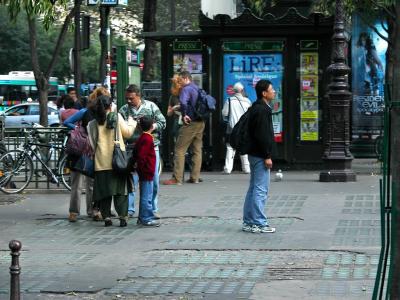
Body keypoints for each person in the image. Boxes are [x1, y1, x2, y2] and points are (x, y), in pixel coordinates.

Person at [88, 95, 136, 227]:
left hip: (101, 162)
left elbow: (92, 143)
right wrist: (132, 122)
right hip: (117, 162)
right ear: (110, 105)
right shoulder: (117, 117)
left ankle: (107, 217)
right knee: (120, 191)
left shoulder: (93, 123)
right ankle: (122, 217)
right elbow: (127, 133)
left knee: (104, 192)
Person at [119, 84, 166, 219]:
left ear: (138, 96)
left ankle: (152, 208)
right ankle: (129, 209)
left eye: (131, 98)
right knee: (131, 181)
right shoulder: (124, 110)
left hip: (151, 147)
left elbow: (163, 122)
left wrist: (152, 127)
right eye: (127, 98)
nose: (128, 101)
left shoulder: (151, 106)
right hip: (132, 148)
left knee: (153, 180)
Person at [64, 87, 110, 222]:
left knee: (77, 184)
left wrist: (77, 129)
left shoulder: (85, 112)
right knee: (91, 184)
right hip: (92, 151)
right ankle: (92, 211)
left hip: (79, 151)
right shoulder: (102, 115)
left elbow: (67, 122)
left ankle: (74, 212)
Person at [242, 79, 276, 234]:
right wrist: (267, 155)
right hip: (260, 155)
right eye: (271, 89)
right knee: (261, 189)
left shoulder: (256, 107)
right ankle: (259, 223)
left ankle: (249, 221)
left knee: (254, 188)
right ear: (264, 93)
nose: (274, 91)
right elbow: (263, 135)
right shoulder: (263, 110)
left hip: (254, 153)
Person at [163, 71, 205, 185]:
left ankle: (177, 178)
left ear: (186, 78)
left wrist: (185, 114)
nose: (179, 82)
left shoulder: (186, 89)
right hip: (200, 122)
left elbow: (184, 103)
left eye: (181, 80)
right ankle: (195, 177)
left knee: (179, 149)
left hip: (190, 123)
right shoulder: (197, 88)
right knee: (197, 150)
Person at [135, 116, 160, 227]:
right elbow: (142, 156)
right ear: (151, 126)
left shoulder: (142, 137)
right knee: (147, 196)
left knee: (145, 195)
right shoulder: (148, 139)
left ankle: (142, 216)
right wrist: (143, 167)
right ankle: (146, 218)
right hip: (147, 172)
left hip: (144, 172)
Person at [221, 82, 251, 174]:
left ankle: (228, 169)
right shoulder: (248, 101)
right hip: (244, 128)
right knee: (243, 147)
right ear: (242, 90)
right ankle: (246, 168)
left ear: (234, 91)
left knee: (230, 147)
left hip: (232, 127)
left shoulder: (229, 100)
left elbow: (224, 113)